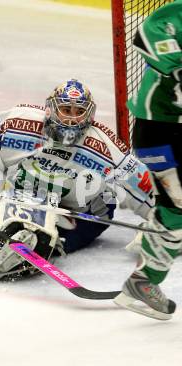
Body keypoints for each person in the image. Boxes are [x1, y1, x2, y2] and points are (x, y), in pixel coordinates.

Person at [0, 79, 155, 280]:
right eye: (65, 109)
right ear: (51, 109)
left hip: (80, 215)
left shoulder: (107, 151)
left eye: (78, 112)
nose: (71, 120)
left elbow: (148, 193)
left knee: (46, 235)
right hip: (20, 197)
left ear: (89, 116)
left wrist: (166, 220)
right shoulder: (18, 122)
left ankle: (36, 243)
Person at [114, 1, 182, 320]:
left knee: (176, 209)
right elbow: (149, 41)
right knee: (178, 206)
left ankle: (154, 235)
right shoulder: (173, 17)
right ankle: (142, 282)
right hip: (158, 132)